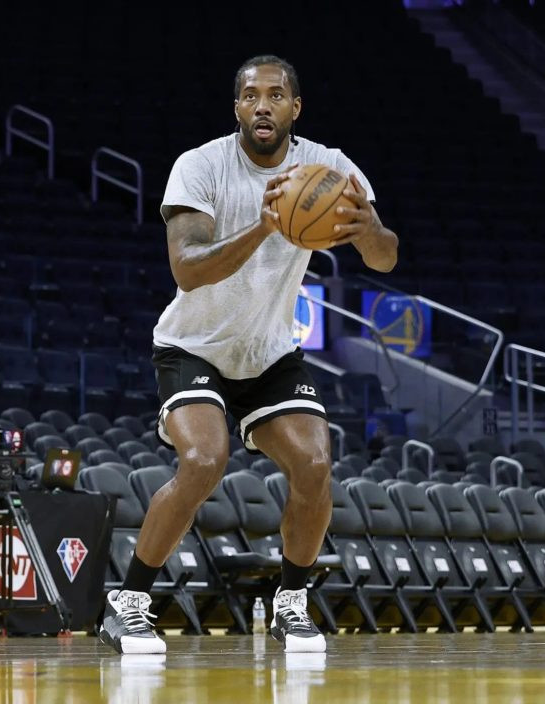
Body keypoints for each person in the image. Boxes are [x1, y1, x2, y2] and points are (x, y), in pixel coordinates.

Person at [99, 54, 398, 654]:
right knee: (206, 459)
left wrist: (366, 230)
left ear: (295, 107)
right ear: (236, 106)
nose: (263, 104)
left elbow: (386, 256)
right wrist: (266, 226)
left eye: (276, 95)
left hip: (267, 350)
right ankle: (127, 603)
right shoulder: (199, 166)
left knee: (314, 465)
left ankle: (290, 603)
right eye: (251, 95)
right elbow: (187, 269)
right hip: (194, 343)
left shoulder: (331, 168)